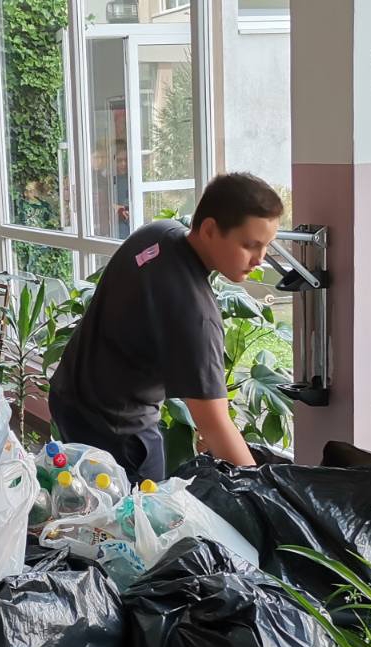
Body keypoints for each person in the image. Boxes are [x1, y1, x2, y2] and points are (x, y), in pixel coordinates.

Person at [49, 172, 284, 482]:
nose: (259, 260)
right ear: (210, 229)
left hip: (71, 396)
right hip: (119, 432)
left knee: (88, 501)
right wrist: (262, 493)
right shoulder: (195, 312)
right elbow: (214, 425)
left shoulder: (158, 234)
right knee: (139, 521)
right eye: (250, 245)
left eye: (266, 246)